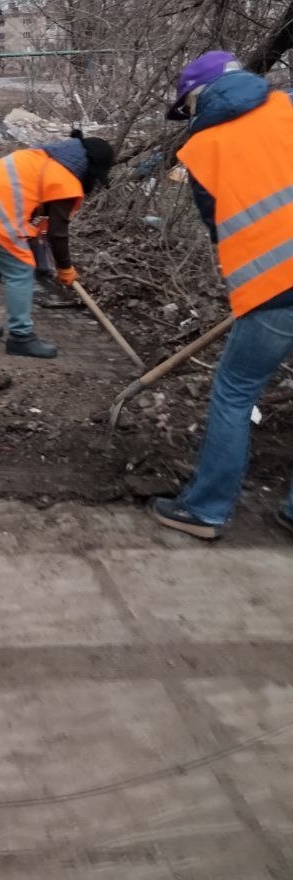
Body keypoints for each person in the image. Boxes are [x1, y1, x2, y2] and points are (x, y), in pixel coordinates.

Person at [152, 51, 293, 540]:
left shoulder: (202, 148)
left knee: (235, 392)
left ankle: (208, 510)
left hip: (276, 288)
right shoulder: (288, 105)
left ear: (197, 99)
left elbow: (222, 229)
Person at [0, 130, 114, 358]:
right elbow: (58, 233)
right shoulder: (65, 179)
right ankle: (21, 337)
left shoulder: (45, 157)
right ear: (90, 167)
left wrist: (35, 234)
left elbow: (37, 211)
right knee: (20, 270)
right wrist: (65, 268)